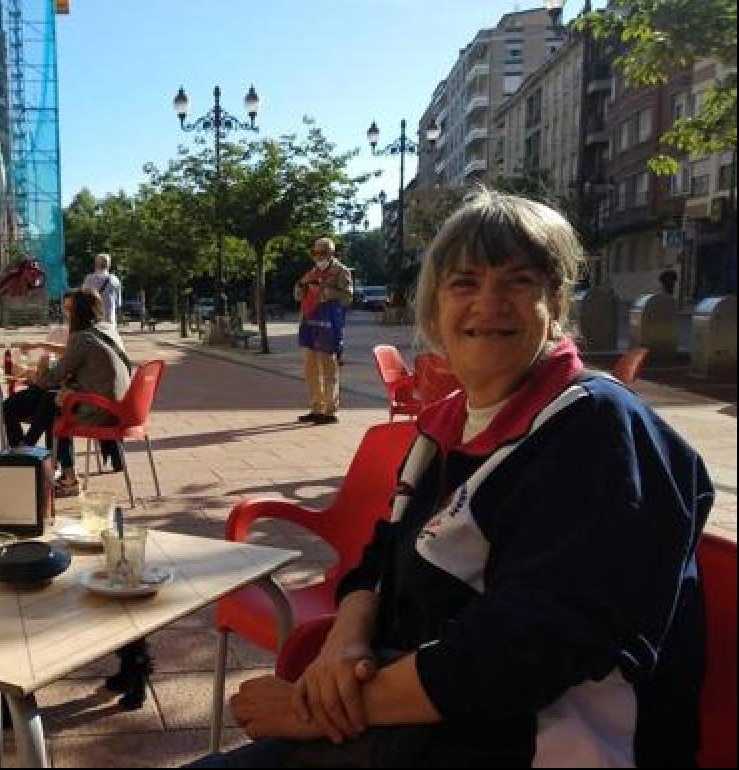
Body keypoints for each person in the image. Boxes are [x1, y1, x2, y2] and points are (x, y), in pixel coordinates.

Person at [191, 191, 712, 767]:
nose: (489, 303)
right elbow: (381, 554)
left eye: (518, 281)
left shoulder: (598, 430)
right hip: (419, 727)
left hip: (535, 746)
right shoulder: (445, 425)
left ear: (556, 301)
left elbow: (525, 651)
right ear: (435, 310)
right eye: (464, 282)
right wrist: (347, 636)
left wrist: (312, 712)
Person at [18, 288, 131, 497]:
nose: (67, 314)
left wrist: (42, 364)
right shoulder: (107, 329)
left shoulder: (82, 338)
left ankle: (30, 454)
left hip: (102, 411)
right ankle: (34, 453)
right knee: (56, 400)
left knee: (54, 404)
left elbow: (48, 380)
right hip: (124, 408)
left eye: (71, 310)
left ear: (78, 313)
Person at [294, 237, 352, 425]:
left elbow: (348, 297)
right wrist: (302, 289)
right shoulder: (312, 272)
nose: (318, 256)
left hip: (329, 324)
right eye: (315, 253)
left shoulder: (341, 271)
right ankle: (316, 408)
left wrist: (325, 292)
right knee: (310, 368)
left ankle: (329, 411)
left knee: (329, 367)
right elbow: (297, 293)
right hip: (310, 323)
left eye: (322, 253)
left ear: (332, 253)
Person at [83, 252, 123, 327]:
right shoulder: (115, 280)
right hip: (110, 321)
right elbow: (118, 303)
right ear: (109, 265)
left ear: (96, 264)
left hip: (93, 320)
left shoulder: (89, 279)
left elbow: (83, 300)